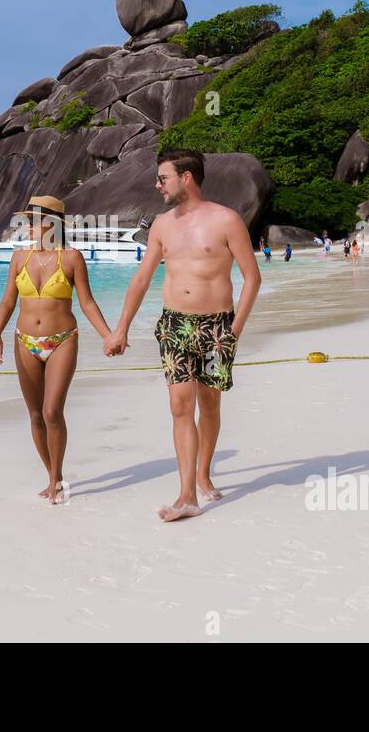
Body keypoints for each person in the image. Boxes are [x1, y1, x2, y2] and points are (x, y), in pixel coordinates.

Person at [103, 149, 261, 522]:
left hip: (216, 327)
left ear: (186, 177)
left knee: (209, 404)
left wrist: (234, 330)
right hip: (174, 325)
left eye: (163, 178)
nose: (157, 185)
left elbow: (252, 277)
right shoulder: (160, 225)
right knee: (180, 406)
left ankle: (203, 473)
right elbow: (142, 279)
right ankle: (187, 494)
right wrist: (121, 328)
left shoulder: (226, 219)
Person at [0, 195, 114, 504]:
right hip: (24, 340)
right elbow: (8, 300)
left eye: (32, 220)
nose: (27, 225)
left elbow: (86, 302)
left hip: (62, 339)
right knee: (34, 415)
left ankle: (56, 480)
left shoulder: (71, 258)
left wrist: (108, 336)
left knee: (51, 411)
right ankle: (53, 477)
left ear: (50, 224)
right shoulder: (19, 257)